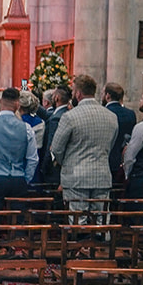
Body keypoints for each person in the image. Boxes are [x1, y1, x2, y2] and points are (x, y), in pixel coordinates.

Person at [47, 73, 118, 219]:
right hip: (102, 176)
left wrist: (65, 162)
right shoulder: (111, 116)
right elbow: (110, 145)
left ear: (78, 94)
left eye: (73, 91)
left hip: (75, 177)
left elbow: (56, 148)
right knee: (100, 221)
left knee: (78, 221)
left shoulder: (70, 116)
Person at [0, 87, 39, 205]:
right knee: (17, 216)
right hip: (18, 179)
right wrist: (25, 179)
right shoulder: (26, 128)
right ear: (17, 105)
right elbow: (33, 159)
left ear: (0, 102)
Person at [103, 83, 138, 190]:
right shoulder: (131, 114)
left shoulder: (104, 113)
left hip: (106, 161)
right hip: (123, 161)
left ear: (107, 96)